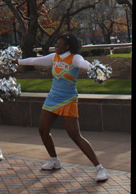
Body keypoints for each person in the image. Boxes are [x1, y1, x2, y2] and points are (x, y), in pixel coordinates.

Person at [18, 33, 108, 182]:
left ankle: (99, 168)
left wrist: (95, 69)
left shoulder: (74, 58)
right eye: (56, 44)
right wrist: (19, 61)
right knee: (42, 129)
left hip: (68, 100)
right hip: (52, 98)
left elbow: (84, 64)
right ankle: (54, 160)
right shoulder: (54, 57)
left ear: (68, 46)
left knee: (75, 135)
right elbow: (36, 60)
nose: (56, 46)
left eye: (59, 44)